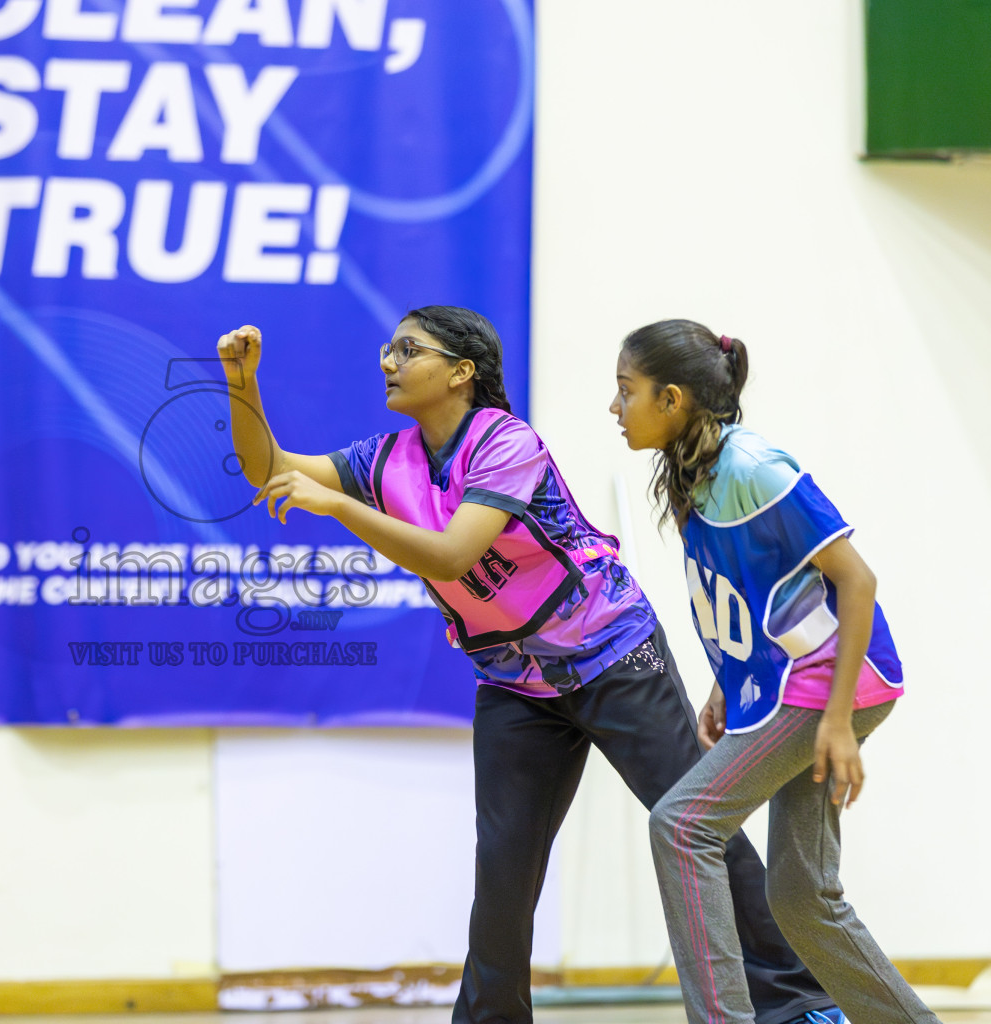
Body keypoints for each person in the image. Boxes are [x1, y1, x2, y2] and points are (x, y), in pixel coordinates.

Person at [219, 307, 839, 1024]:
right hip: (517, 681)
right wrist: (243, 385)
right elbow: (265, 466)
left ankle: (800, 1005)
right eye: (388, 347)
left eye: (408, 349)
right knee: (503, 872)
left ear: (461, 372)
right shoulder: (386, 460)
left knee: (697, 828)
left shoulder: (507, 443)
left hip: (611, 653)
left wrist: (339, 509)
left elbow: (453, 553)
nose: (388, 360)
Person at [611, 318, 937, 1024]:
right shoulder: (695, 471)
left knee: (682, 823)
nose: (615, 408)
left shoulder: (757, 466)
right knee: (800, 897)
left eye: (625, 390)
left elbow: (857, 581)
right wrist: (723, 685)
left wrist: (840, 721)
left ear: (671, 399)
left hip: (827, 685)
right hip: (789, 686)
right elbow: (755, 597)